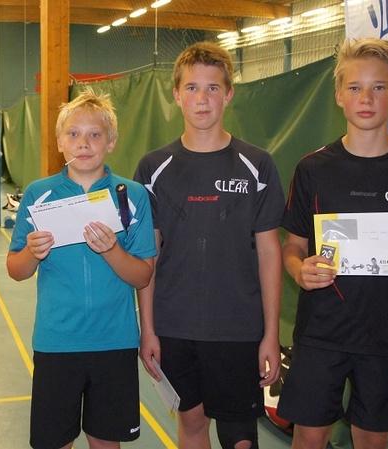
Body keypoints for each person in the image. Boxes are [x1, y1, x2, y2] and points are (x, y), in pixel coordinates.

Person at [278, 38, 388, 449]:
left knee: (372, 440)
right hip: (320, 335)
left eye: (379, 87)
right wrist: (299, 270)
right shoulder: (312, 168)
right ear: (339, 94)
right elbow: (292, 247)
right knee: (309, 438)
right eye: (355, 87)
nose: (366, 98)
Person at [133, 41, 284, 449]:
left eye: (213, 88)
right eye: (192, 88)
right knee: (193, 423)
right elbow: (148, 255)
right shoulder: (153, 168)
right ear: (176, 94)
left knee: (240, 437)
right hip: (174, 326)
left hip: (238, 329)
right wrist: (148, 329)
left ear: (229, 94)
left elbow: (270, 253)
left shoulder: (257, 165)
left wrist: (271, 334)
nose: (202, 99)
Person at [6, 90, 156, 449]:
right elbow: (15, 269)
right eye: (73, 134)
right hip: (57, 342)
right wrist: (32, 253)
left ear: (111, 142)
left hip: (114, 342)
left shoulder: (132, 195)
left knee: (106, 441)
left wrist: (112, 250)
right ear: (59, 142)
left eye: (95, 134)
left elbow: (143, 275)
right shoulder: (38, 194)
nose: (83, 143)